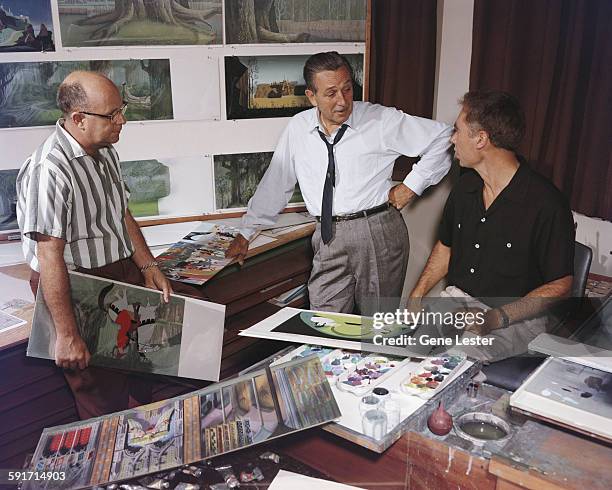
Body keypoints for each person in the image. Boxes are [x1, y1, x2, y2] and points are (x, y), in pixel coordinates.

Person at [16, 71, 203, 419]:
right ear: (78, 119)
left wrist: (148, 266)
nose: (122, 120)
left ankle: (148, 447)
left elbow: (121, 212)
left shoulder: (104, 151)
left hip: (119, 273)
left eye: (122, 110)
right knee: (101, 395)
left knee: (143, 364)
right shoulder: (49, 170)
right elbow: (49, 256)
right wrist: (68, 334)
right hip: (78, 284)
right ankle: (115, 466)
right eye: (112, 114)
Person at [226, 51, 453, 315]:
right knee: (325, 323)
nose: (343, 101)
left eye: (347, 89)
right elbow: (276, 183)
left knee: (374, 327)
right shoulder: (298, 128)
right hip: (327, 236)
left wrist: (410, 187)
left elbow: (445, 138)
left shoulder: (379, 120)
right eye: (331, 93)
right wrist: (245, 233)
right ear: (311, 96)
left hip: (377, 230)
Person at [409, 90, 575, 362]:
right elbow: (446, 246)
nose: (453, 140)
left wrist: (495, 318)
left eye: (457, 131)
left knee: (450, 364)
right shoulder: (465, 187)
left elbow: (561, 285)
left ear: (481, 139)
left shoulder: (546, 203)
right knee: (403, 349)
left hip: (515, 318)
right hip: (458, 301)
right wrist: (416, 296)